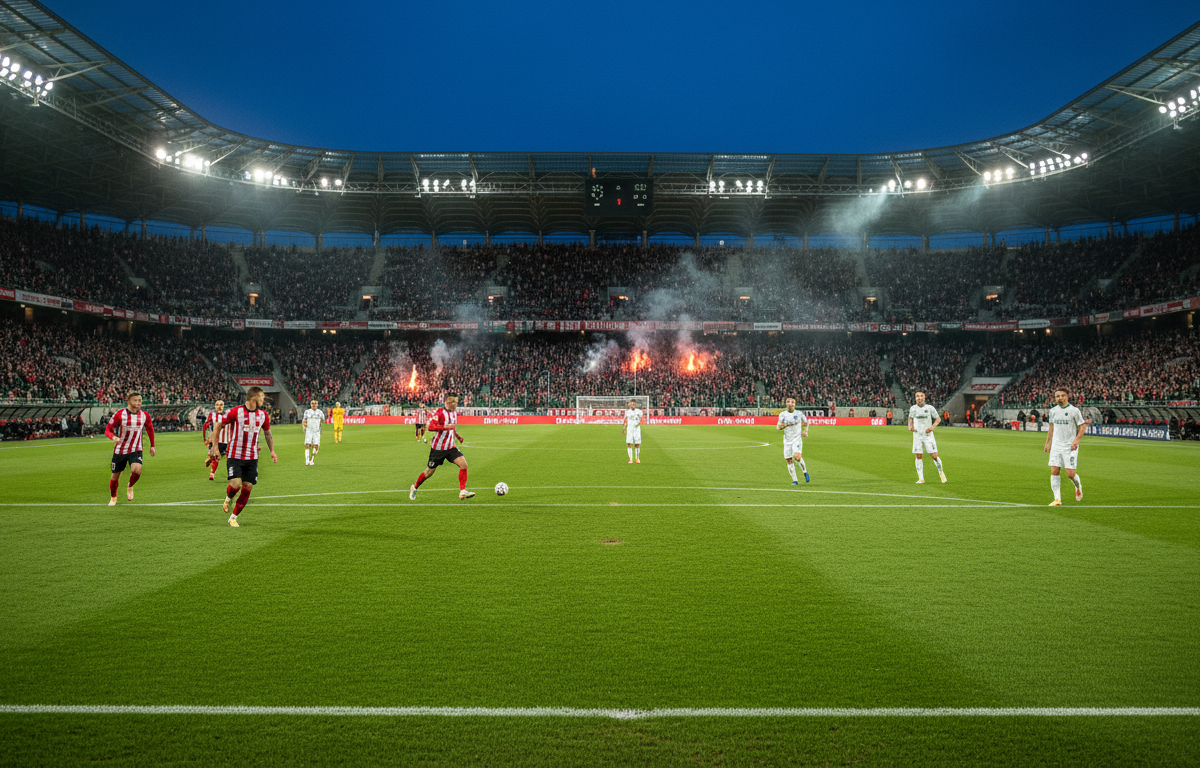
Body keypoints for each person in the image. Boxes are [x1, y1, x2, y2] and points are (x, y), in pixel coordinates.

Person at [211, 386, 277, 527]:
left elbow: (267, 433)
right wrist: (215, 446)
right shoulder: (236, 411)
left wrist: (272, 451)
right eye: (262, 397)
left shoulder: (263, 415)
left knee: (247, 487)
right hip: (235, 456)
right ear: (254, 398)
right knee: (236, 484)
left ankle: (233, 518)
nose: (264, 400)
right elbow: (218, 425)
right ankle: (228, 498)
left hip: (252, 458)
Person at [409, 393, 474, 500]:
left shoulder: (454, 414)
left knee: (464, 465)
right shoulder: (440, 413)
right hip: (438, 449)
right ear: (447, 403)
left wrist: (458, 437)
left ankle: (462, 491)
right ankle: (415, 487)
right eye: (453, 402)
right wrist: (444, 427)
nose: (455, 404)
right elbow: (431, 427)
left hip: (451, 447)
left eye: (456, 402)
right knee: (429, 472)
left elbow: (452, 428)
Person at [104, 392, 155, 506]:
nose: (138, 403)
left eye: (140, 400)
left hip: (136, 449)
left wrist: (152, 446)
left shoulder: (144, 415)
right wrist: (113, 437)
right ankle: (113, 497)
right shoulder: (120, 414)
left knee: (137, 471)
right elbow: (108, 429)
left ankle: (130, 486)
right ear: (128, 401)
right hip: (120, 450)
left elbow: (150, 429)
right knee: (115, 476)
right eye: (135, 400)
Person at [1044, 388, 1085, 506]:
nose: (1060, 398)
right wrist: (1048, 443)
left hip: (1069, 446)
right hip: (1056, 445)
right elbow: (1051, 427)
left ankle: (1078, 486)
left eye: (1062, 395)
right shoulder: (1053, 411)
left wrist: (1076, 440)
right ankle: (1057, 499)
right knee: (1054, 471)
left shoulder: (1074, 411)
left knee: (1070, 474)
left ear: (1067, 396)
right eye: (1057, 396)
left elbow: (1082, 427)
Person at [908, 391, 946, 484]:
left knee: (934, 456)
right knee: (918, 455)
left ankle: (941, 472)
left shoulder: (930, 408)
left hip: (928, 436)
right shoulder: (913, 408)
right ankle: (921, 478)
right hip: (917, 435)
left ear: (924, 397)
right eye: (917, 396)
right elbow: (910, 418)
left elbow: (938, 419)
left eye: (921, 396)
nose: (919, 398)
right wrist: (910, 426)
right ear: (915, 398)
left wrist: (932, 427)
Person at [776, 397, 809, 484]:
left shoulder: (799, 414)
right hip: (787, 440)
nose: (790, 404)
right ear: (786, 403)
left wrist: (805, 431)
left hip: (796, 439)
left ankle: (805, 471)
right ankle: (795, 480)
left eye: (792, 402)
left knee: (797, 457)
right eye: (788, 402)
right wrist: (785, 425)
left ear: (795, 404)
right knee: (788, 459)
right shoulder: (782, 414)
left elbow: (806, 423)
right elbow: (778, 427)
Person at [202, 400, 231, 481]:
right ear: (215, 406)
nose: (219, 406)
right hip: (215, 441)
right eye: (217, 405)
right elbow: (205, 426)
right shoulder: (212, 415)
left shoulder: (228, 415)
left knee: (230, 458)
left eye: (221, 405)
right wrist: (205, 439)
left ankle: (231, 474)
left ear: (223, 406)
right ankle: (212, 473)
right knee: (216, 457)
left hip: (226, 441)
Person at [302, 399, 325, 466]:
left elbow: (322, 420)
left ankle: (311, 460)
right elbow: (304, 420)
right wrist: (304, 426)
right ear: (310, 404)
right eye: (312, 403)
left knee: (316, 446)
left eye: (315, 403)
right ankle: (307, 461)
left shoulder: (320, 412)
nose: (314, 405)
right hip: (309, 431)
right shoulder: (307, 412)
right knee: (307, 444)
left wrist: (317, 425)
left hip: (317, 431)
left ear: (317, 404)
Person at [624, 399, 644, 464]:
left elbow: (642, 419)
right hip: (629, 429)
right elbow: (626, 420)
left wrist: (639, 423)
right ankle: (630, 459)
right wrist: (624, 428)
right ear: (629, 405)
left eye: (634, 404)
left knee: (637, 444)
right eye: (631, 404)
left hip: (636, 429)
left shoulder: (639, 412)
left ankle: (637, 458)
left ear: (635, 405)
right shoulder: (627, 412)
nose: (632, 405)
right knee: (629, 443)